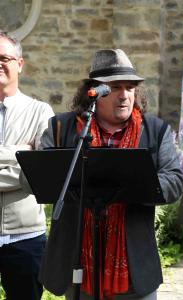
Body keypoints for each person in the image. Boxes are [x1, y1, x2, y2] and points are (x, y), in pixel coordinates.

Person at [37, 49, 183, 299]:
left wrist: (133, 185)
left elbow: (175, 181)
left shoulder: (155, 131)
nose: (125, 95)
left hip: (134, 267)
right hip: (77, 262)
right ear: (93, 91)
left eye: (130, 87)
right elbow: (36, 179)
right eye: (115, 87)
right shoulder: (62, 128)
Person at [0, 32, 54, 299]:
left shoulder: (40, 112)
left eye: (4, 58)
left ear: (19, 64)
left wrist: (29, 162)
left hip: (25, 238)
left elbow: (41, 173)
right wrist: (20, 152)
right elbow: (26, 167)